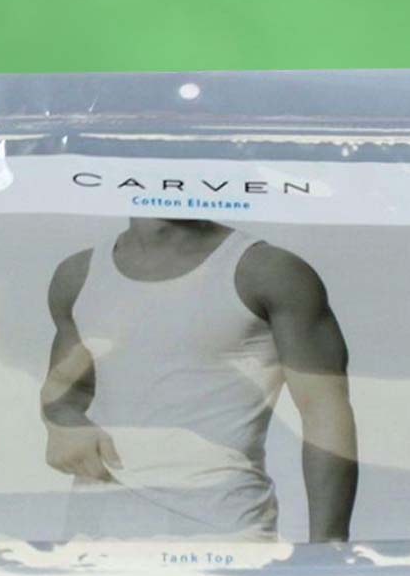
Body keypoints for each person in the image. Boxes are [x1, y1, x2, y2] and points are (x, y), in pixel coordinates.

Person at [40, 218, 357, 542]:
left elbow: (324, 412)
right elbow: (65, 391)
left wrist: (329, 549)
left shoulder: (268, 272)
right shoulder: (77, 275)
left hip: (224, 533)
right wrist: (63, 421)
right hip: (94, 534)